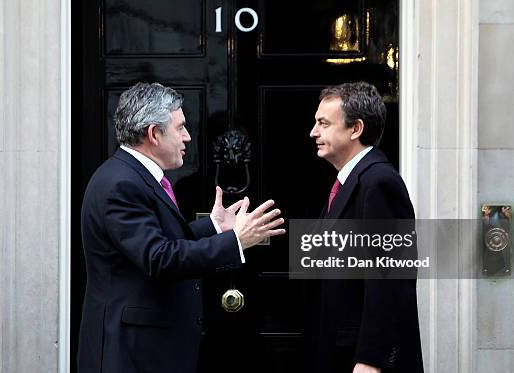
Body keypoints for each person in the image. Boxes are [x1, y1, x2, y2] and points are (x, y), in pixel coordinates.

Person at [78, 82, 286, 373]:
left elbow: (157, 241)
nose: (188, 137)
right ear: (153, 133)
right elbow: (159, 258)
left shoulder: (132, 176)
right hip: (131, 353)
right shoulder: (121, 184)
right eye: (180, 128)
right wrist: (235, 241)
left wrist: (213, 226)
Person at [309, 82, 423, 373]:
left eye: (323, 123)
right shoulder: (350, 182)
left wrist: (372, 359)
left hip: (361, 360)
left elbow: (391, 279)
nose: (314, 132)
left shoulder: (379, 183)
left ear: (355, 129)